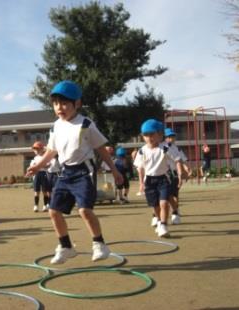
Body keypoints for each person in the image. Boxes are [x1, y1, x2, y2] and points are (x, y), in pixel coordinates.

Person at [26, 80, 123, 264]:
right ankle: (66, 246)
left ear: (77, 103)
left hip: (83, 172)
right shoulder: (56, 126)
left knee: (85, 210)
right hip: (64, 173)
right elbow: (51, 150)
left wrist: (115, 170)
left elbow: (101, 148)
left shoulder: (85, 124)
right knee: (53, 211)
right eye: (55, 104)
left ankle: (99, 244)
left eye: (64, 103)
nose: (59, 107)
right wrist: (38, 166)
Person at [134, 119, 183, 238]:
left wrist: (180, 174)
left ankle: (163, 225)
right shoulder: (142, 151)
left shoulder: (165, 148)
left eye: (152, 134)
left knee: (164, 203)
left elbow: (177, 160)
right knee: (155, 206)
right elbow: (140, 168)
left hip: (163, 179)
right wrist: (141, 183)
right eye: (146, 135)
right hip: (149, 181)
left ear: (160, 135)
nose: (149, 138)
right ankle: (159, 219)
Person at [164, 128, 189, 224]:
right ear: (165, 137)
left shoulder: (176, 148)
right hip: (165, 173)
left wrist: (186, 169)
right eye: (169, 136)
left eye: (173, 136)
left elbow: (181, 160)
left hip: (175, 173)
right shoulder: (162, 147)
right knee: (166, 194)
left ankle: (176, 210)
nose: (171, 138)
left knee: (175, 194)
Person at [29, 141, 51, 212]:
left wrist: (41, 165)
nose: (36, 151)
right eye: (35, 149)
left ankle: (45, 205)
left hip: (44, 174)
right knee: (36, 191)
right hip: (37, 175)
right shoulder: (35, 158)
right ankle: (36, 205)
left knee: (45, 191)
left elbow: (48, 165)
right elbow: (32, 167)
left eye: (38, 149)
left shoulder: (45, 157)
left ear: (42, 149)